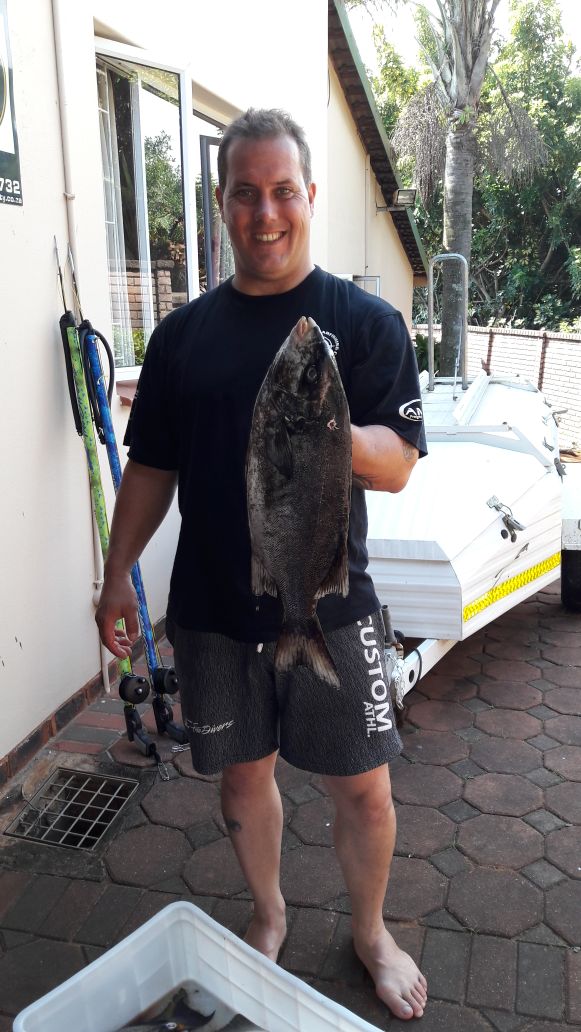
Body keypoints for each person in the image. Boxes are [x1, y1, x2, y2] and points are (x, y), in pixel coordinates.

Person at [96, 108, 428, 1022]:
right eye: (245, 193)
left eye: (283, 191)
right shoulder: (182, 337)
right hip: (210, 605)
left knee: (363, 789)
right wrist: (117, 574)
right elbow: (150, 468)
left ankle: (370, 932)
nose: (266, 212)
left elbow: (399, 463)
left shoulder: (363, 323)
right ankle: (270, 915)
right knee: (243, 779)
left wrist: (326, 432)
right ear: (222, 204)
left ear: (310, 196)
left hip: (330, 603)